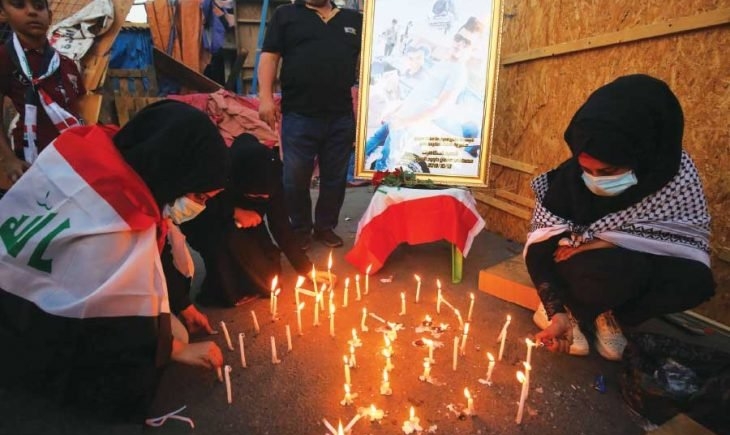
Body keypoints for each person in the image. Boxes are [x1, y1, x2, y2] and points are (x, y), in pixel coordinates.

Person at [0, 100, 230, 422]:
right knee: (146, 357)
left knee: (170, 325)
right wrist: (179, 350)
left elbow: (153, 261)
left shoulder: (96, 154)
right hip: (28, 324)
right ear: (175, 170)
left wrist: (183, 306)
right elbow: (115, 328)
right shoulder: (120, 216)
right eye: (199, 197)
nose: (199, 208)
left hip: (13, 284)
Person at [524, 74, 716, 361]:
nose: (595, 180)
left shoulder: (674, 177)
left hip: (626, 261)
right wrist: (556, 310)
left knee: (692, 279)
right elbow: (539, 249)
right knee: (605, 271)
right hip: (580, 266)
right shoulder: (571, 178)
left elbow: (679, 240)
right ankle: (571, 310)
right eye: (586, 169)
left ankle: (609, 314)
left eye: (608, 171)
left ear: (643, 155)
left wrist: (605, 242)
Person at [181, 133, 333, 307]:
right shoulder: (217, 174)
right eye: (257, 196)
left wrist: (306, 269)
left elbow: (281, 227)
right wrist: (233, 212)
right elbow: (192, 211)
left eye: (268, 195)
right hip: (209, 223)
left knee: (268, 278)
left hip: (249, 223)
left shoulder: (270, 176)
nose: (265, 199)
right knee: (229, 275)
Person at [258, 0, 362, 249]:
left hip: (340, 116)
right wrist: (265, 98)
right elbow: (270, 57)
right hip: (299, 115)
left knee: (335, 179)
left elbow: (371, 62)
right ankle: (301, 228)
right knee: (295, 179)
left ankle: (325, 227)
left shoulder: (354, 20)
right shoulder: (286, 15)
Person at [365, 16, 482, 172]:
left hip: (407, 125)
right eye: (458, 38)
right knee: (368, 147)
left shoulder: (459, 73)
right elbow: (420, 92)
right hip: (400, 116)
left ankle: (373, 184)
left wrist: (405, 122)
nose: (459, 44)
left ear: (473, 50)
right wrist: (396, 110)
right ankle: (353, 175)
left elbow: (438, 109)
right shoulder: (445, 62)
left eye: (466, 43)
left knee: (386, 164)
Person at [0, 0, 85, 190]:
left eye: (39, 6)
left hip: (70, 158)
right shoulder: (5, 58)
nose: (32, 12)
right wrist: (9, 159)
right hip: (30, 159)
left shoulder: (66, 63)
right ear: (3, 13)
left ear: (50, 16)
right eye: (19, 5)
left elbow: (78, 111)